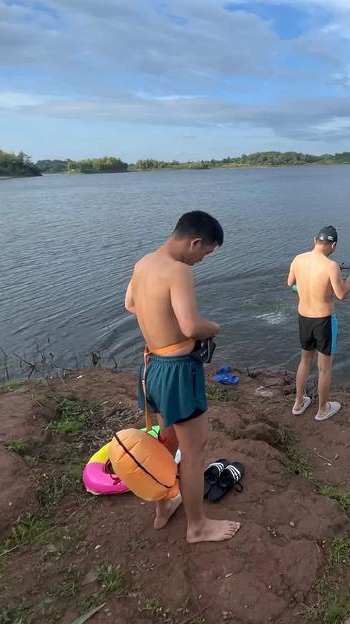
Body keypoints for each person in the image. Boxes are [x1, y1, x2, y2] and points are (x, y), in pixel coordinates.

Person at [124, 210, 241, 544]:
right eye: (204, 253)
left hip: (152, 368)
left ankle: (163, 510)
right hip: (178, 372)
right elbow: (192, 326)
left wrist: (161, 322)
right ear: (194, 242)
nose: (200, 261)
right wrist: (214, 328)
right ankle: (197, 526)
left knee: (167, 442)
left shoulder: (143, 263)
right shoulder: (179, 271)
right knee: (194, 451)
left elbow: (131, 303)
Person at [286, 225, 350, 421]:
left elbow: (290, 283)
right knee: (324, 368)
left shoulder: (298, 259)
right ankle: (322, 409)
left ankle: (298, 402)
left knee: (304, 361)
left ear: (315, 240)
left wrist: (305, 288)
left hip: (304, 318)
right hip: (324, 321)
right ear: (334, 245)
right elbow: (341, 294)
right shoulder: (331, 266)